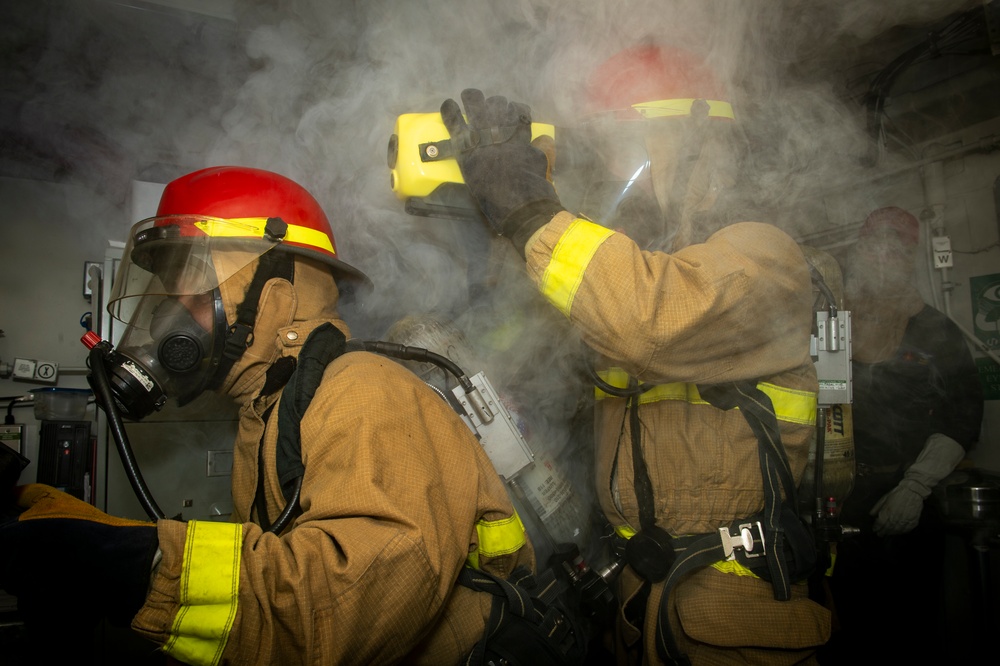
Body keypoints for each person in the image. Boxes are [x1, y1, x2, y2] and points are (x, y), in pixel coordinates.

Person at [0, 166, 541, 665]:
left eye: (191, 291)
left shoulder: (364, 393)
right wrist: (95, 536)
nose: (169, 316)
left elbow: (348, 606)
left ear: (277, 299)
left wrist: (136, 567)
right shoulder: (270, 408)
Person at [439, 44, 831, 665]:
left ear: (703, 144)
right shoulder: (639, 270)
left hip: (733, 620)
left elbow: (645, 319)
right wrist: (491, 218)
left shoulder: (766, 256)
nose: (623, 174)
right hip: (637, 603)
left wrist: (531, 210)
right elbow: (535, 340)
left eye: (634, 148)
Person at [821, 206, 984, 664]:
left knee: (906, 632)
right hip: (839, 501)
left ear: (909, 256)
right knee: (840, 630)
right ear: (861, 249)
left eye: (896, 248)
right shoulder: (834, 325)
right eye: (876, 245)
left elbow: (964, 415)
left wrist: (915, 488)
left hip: (903, 501)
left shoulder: (935, 330)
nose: (883, 256)